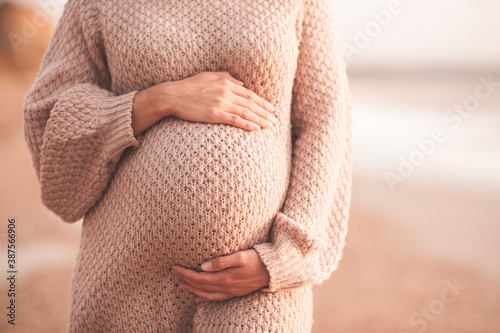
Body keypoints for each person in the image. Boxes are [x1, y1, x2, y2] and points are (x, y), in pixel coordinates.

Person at [23, 0, 352, 331]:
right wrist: (160, 99)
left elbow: (325, 120)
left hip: (256, 286)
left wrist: (285, 258)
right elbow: (46, 113)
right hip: (127, 278)